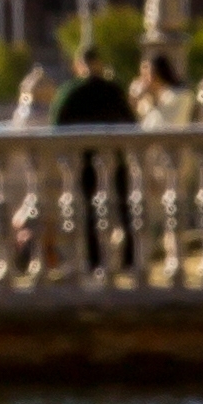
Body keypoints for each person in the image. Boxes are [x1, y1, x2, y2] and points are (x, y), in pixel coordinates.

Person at [54, 40, 135, 271]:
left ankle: (94, 260)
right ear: (98, 63)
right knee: (124, 209)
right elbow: (131, 122)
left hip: (86, 160)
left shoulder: (70, 92)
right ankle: (129, 258)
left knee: (89, 212)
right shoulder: (114, 90)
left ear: (78, 65)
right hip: (116, 158)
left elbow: (57, 126)